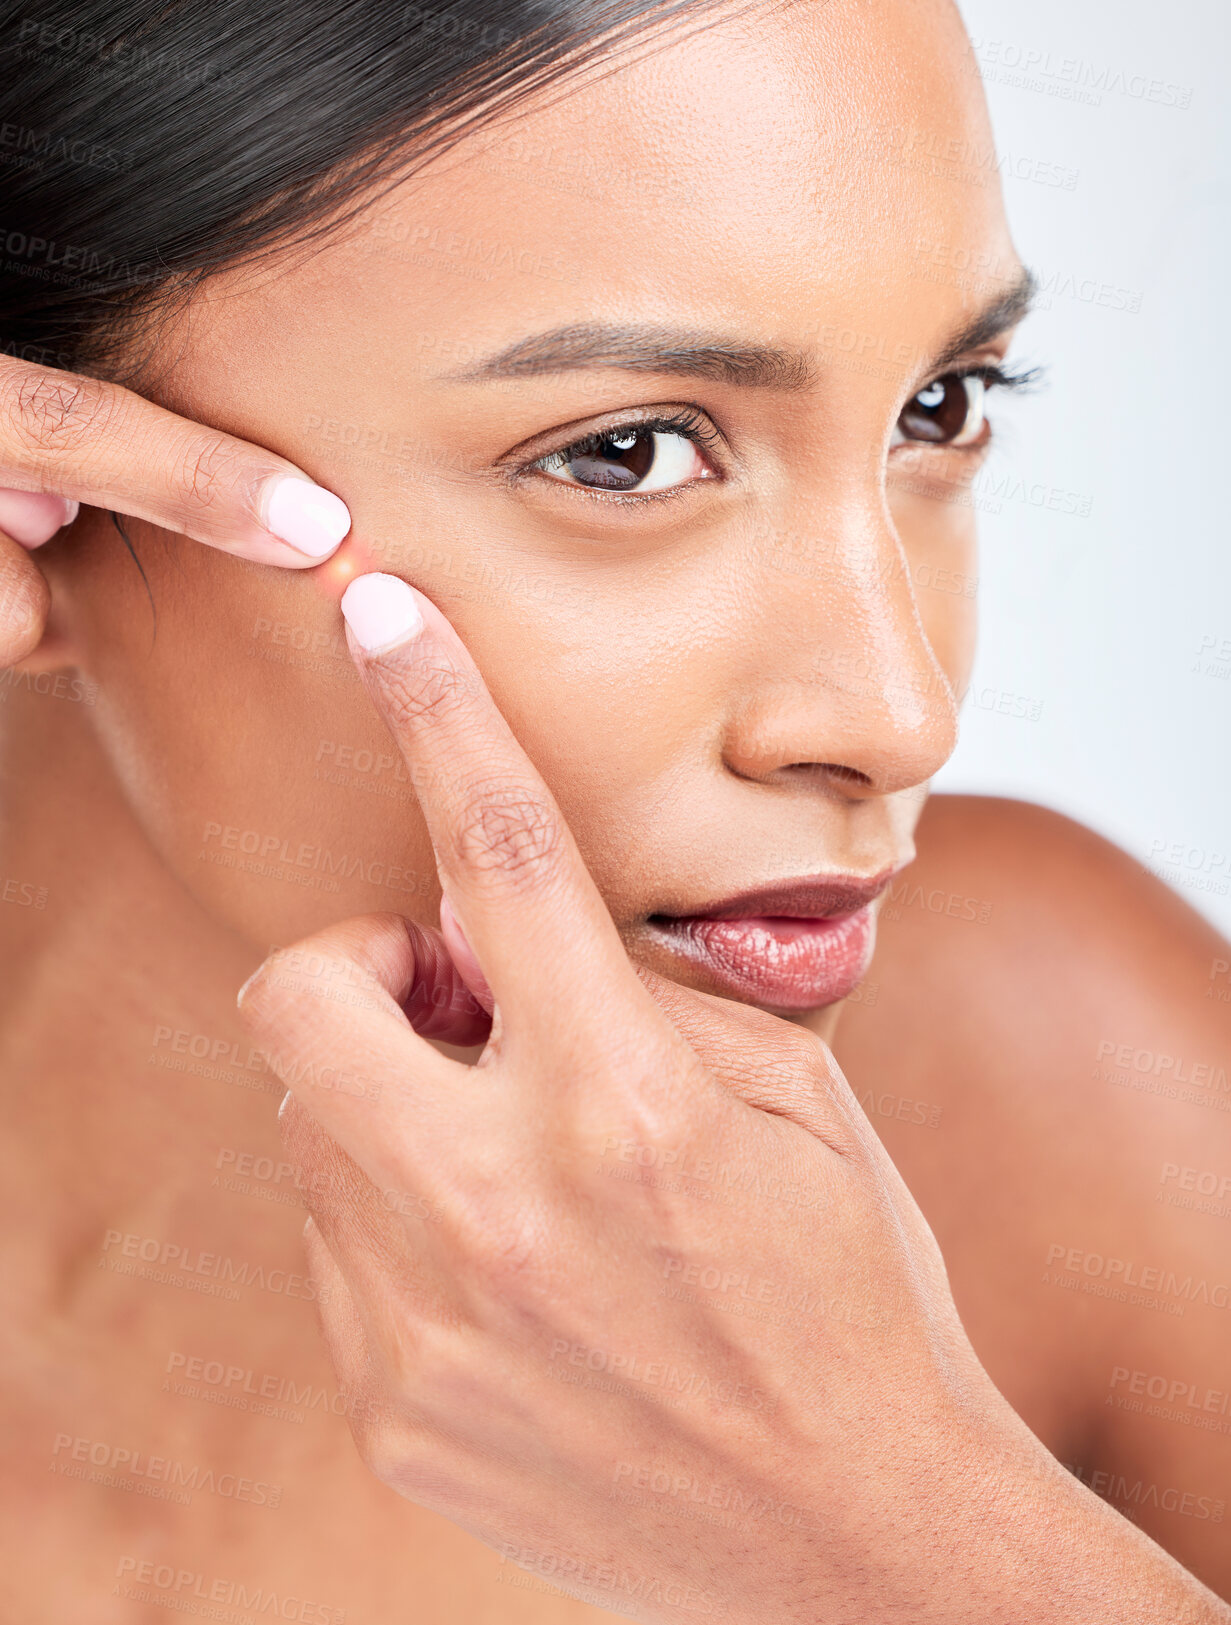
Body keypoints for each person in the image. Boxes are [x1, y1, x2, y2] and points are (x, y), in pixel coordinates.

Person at [1, 0, 1227, 1617]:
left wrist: (901, 1530)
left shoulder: (1058, 1083)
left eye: (944, 406)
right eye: (630, 451)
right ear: (46, 484)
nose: (899, 711)